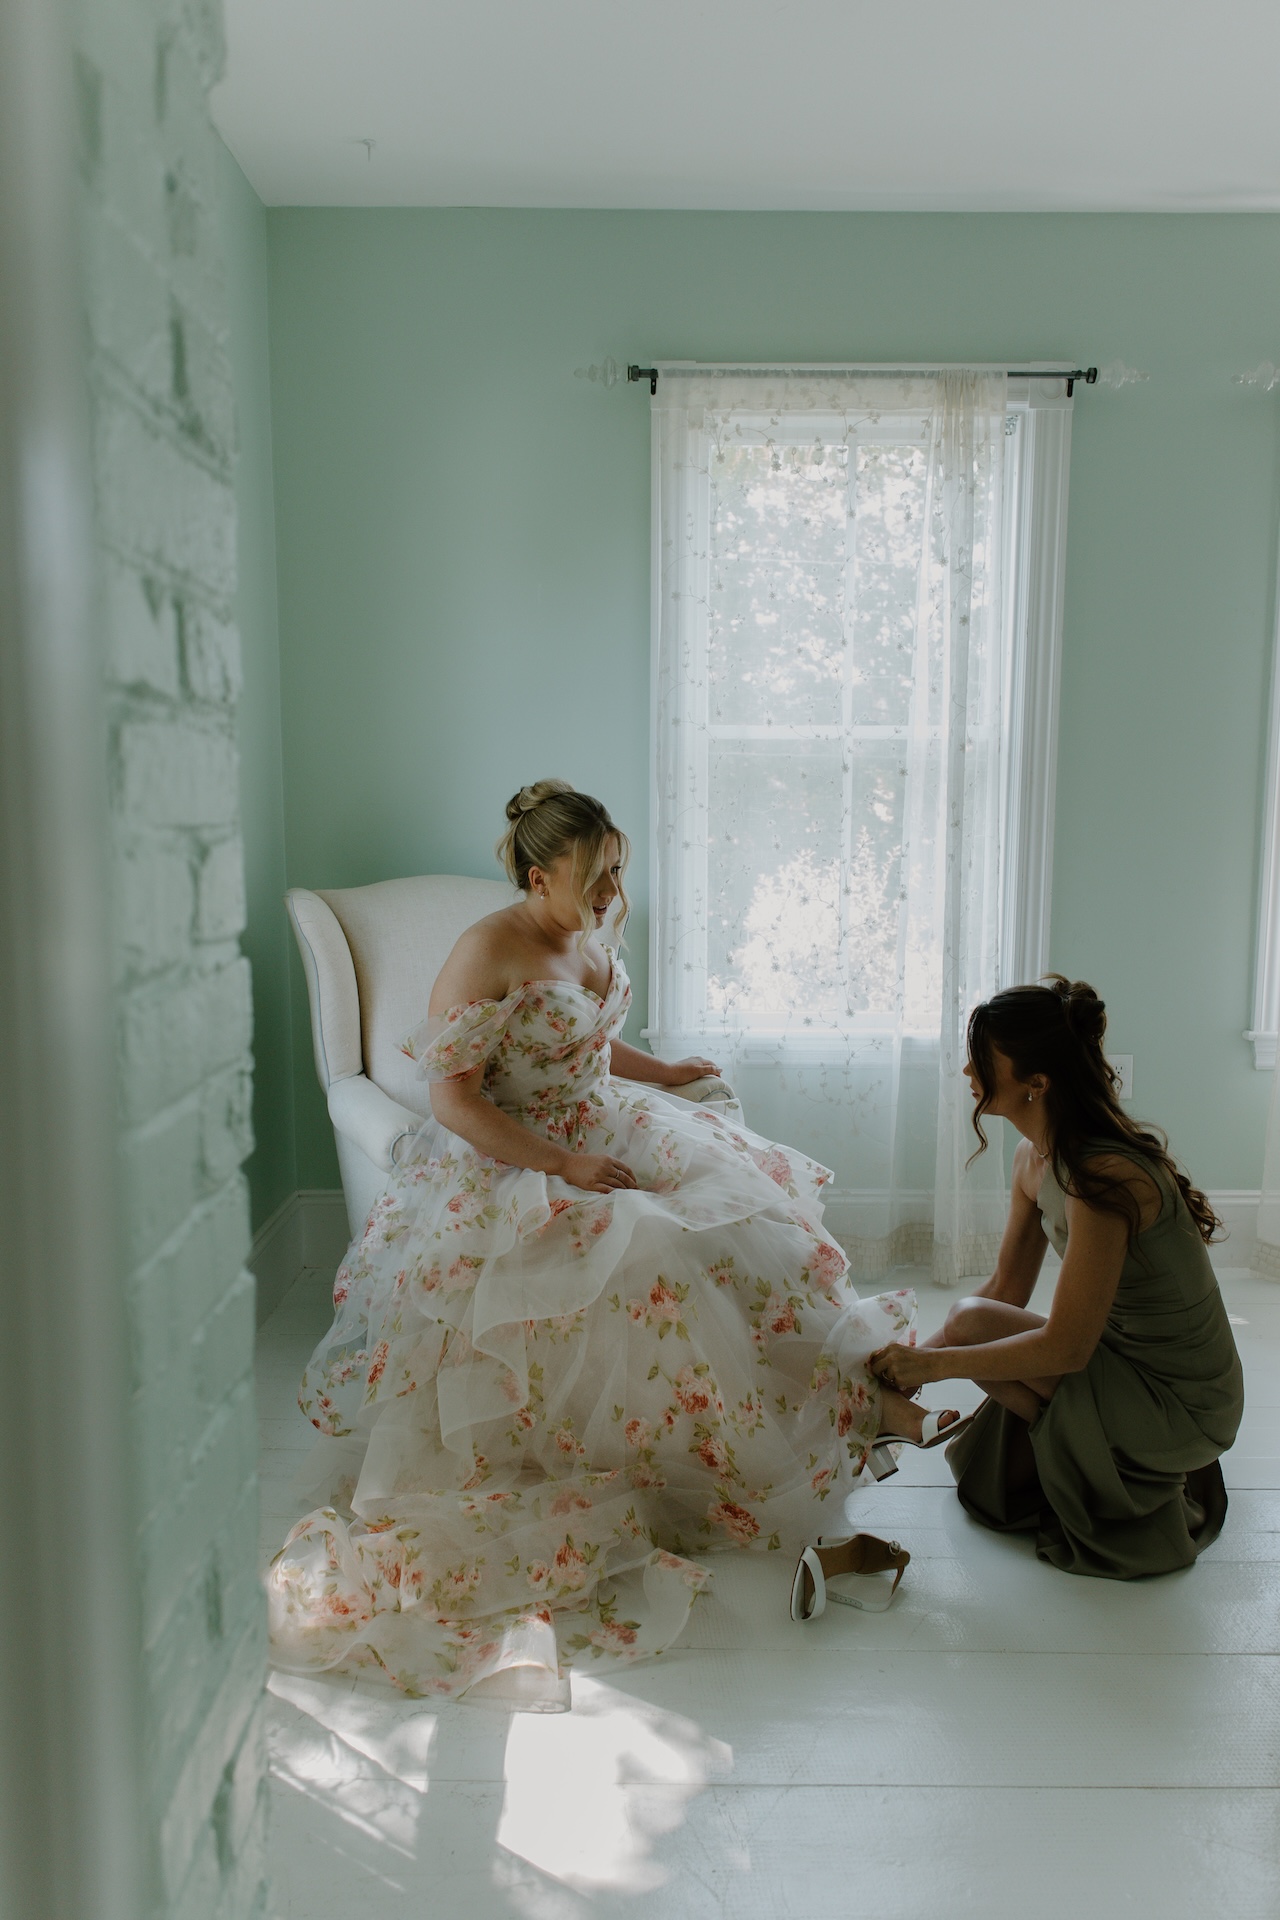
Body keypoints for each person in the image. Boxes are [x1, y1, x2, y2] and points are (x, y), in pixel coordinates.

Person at [267, 779, 961, 1703]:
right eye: (595, 876)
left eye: (617, 873)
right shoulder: (483, 952)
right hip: (515, 1159)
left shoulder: (585, 932)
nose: (609, 894)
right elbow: (456, 1100)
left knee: (741, 1213)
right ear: (538, 869)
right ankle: (689, 1453)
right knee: (652, 1248)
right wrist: (561, 1166)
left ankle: (861, 1397)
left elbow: (587, 1046)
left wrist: (664, 1070)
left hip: (603, 1121)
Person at [870, 977, 1244, 1580]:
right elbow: (1005, 1292)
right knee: (969, 1321)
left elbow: (1068, 1347)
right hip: (1120, 1363)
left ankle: (1108, 1466)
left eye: (984, 1058)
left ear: (1036, 1082)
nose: (968, 1068)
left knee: (968, 1325)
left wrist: (933, 1369)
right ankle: (899, 1414)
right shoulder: (1032, 1158)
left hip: (1183, 1400)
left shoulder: (1103, 1175)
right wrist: (900, 1369)